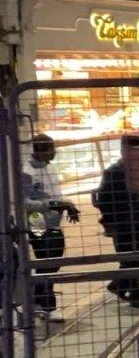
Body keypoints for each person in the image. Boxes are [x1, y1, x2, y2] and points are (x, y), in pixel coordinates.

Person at [24, 134, 80, 321]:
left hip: (54, 222)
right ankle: (46, 304)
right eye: (52, 148)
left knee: (53, 261)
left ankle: (37, 299)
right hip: (36, 221)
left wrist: (68, 204)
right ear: (41, 150)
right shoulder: (27, 172)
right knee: (46, 262)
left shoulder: (50, 169)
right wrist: (51, 205)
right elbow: (25, 202)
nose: (55, 152)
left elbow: (55, 195)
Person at [95, 135, 139, 309]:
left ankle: (117, 284)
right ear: (122, 150)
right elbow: (103, 199)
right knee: (129, 258)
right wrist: (111, 221)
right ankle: (136, 293)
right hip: (123, 223)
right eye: (130, 150)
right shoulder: (113, 172)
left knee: (138, 258)